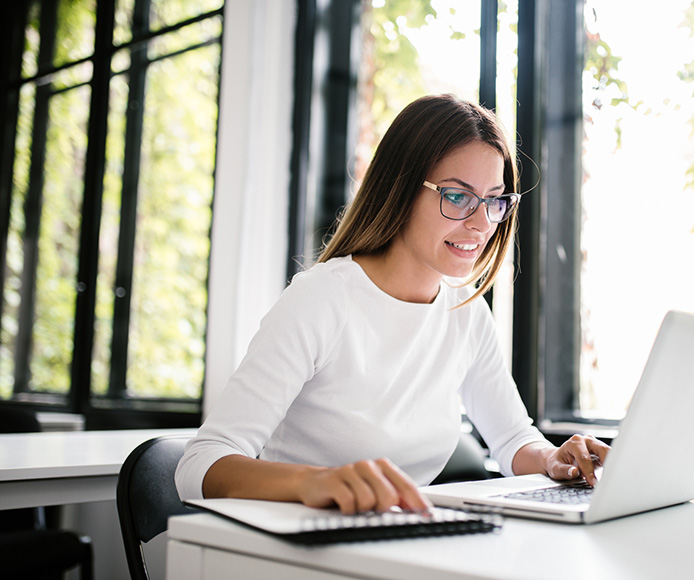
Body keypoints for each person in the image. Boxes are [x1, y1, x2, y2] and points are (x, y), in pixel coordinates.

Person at [175, 94, 610, 514]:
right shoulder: (322, 300)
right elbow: (201, 463)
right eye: (457, 196)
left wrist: (554, 458)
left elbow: (513, 438)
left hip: (397, 543)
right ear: (401, 188)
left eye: (494, 201)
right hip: (295, 546)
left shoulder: (466, 313)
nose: (481, 224)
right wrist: (312, 483)